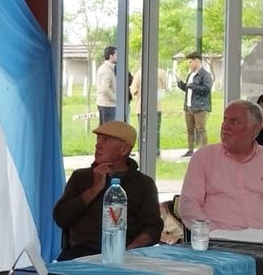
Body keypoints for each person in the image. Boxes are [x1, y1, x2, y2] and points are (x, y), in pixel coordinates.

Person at [53, 121, 163, 260]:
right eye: (98, 139)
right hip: (80, 255)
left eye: (105, 140)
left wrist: (129, 251)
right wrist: (94, 189)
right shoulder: (81, 177)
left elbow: (152, 228)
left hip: (125, 255)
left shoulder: (143, 184)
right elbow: (61, 218)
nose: (98, 145)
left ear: (124, 149)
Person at [179, 100, 263, 231]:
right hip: (215, 238)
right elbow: (189, 206)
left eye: (234, 122)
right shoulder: (204, 157)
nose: (225, 126)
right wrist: (215, 234)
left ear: (254, 128)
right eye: (225, 120)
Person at [177, 52, 212, 157]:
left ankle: (204, 151)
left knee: (201, 129)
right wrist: (181, 84)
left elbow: (206, 89)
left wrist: (192, 85)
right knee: (190, 130)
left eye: (190, 62)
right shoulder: (191, 74)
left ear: (197, 61)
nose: (189, 64)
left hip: (200, 107)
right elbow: (188, 89)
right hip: (189, 107)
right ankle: (190, 149)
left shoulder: (205, 75)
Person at [95, 46, 118, 125]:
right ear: (111, 56)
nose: (117, 57)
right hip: (108, 105)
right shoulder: (107, 70)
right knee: (108, 129)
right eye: (116, 55)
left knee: (104, 128)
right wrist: (115, 99)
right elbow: (105, 88)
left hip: (103, 103)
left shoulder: (105, 68)